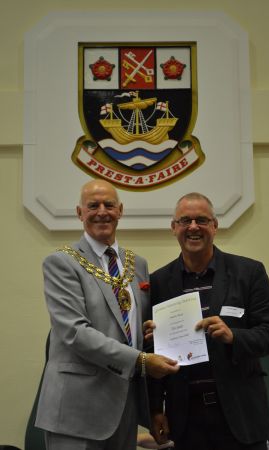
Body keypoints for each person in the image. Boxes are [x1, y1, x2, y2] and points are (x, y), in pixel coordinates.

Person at [35, 179, 179, 450]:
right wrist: (141, 360)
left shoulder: (137, 264)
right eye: (93, 205)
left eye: (109, 204)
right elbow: (75, 333)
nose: (102, 211)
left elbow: (132, 330)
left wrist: (148, 331)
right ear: (80, 213)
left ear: (120, 210)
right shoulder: (61, 263)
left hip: (124, 409)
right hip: (76, 411)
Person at [145, 192, 269, 450]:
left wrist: (234, 336)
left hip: (241, 418)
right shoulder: (158, 282)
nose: (193, 227)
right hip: (185, 421)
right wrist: (154, 409)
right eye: (185, 220)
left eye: (202, 220)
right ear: (174, 228)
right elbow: (151, 354)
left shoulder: (249, 273)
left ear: (215, 226)